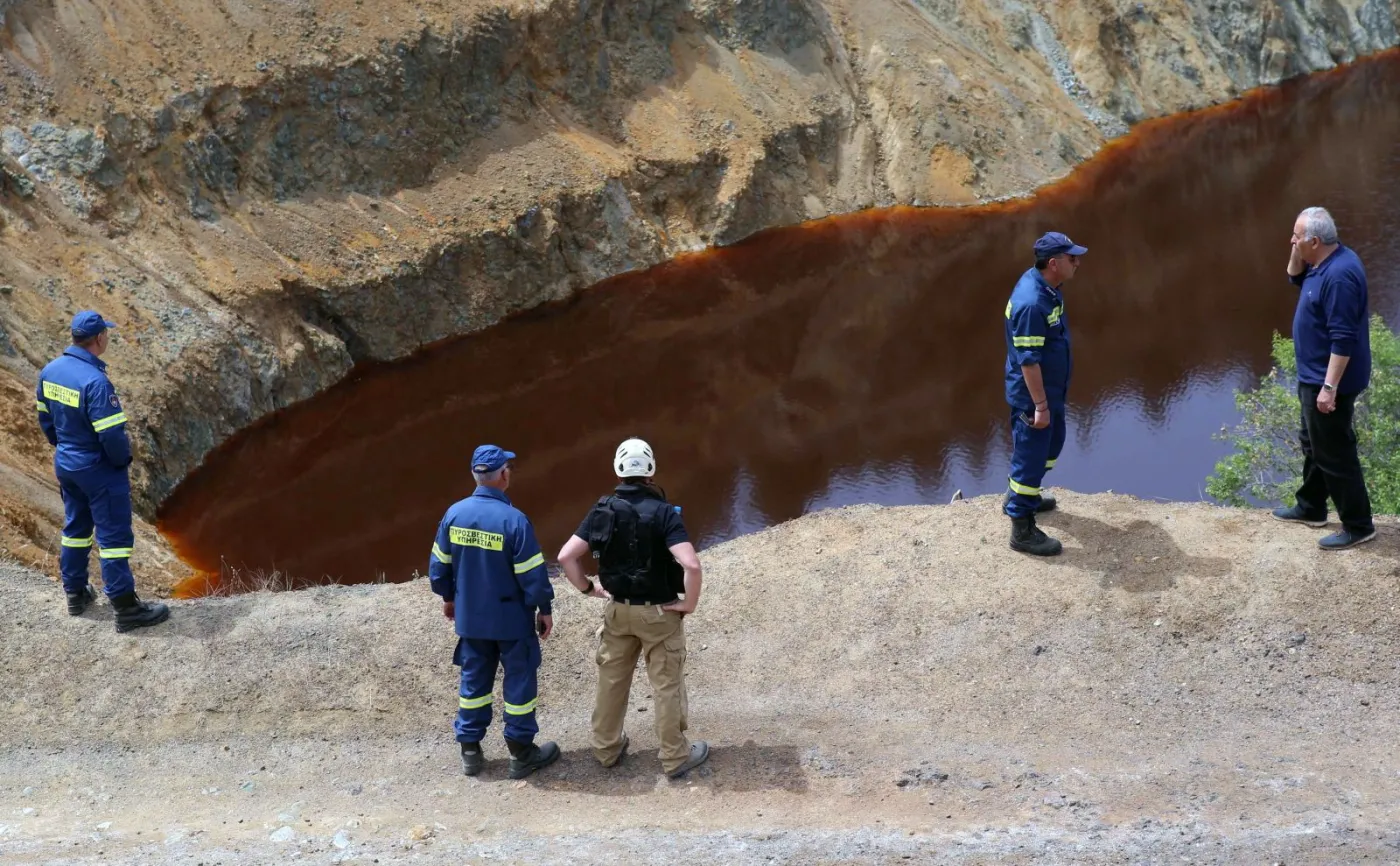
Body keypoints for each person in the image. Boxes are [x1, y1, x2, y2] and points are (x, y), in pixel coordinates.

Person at [556, 437, 710, 779]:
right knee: (666, 684)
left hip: (617, 611)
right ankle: (674, 757)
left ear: (618, 469)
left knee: (612, 680)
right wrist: (689, 604)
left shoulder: (602, 510)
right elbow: (692, 566)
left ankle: (606, 749)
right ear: (651, 470)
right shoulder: (665, 513)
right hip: (659, 613)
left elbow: (567, 557)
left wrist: (588, 589)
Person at [426, 445, 560, 779]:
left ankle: (470, 751)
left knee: (474, 683)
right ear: (503, 474)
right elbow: (533, 575)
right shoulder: (514, 521)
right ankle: (521, 753)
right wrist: (544, 608)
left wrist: (448, 598)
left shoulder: (454, 515)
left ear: (475, 475)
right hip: (512, 622)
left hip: (471, 621)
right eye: (508, 468)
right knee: (518, 685)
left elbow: (438, 568)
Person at [35, 311, 169, 631]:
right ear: (98, 339)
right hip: (97, 468)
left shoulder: (50, 371)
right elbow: (111, 434)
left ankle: (76, 594)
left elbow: (46, 419)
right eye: (106, 334)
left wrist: (64, 445)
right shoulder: (95, 382)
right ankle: (126, 608)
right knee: (114, 538)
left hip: (67, 462)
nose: (107, 337)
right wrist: (120, 462)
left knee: (76, 529)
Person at [1271, 206, 1376, 550]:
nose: (1291, 241)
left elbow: (1343, 338)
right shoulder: (1320, 262)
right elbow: (1292, 275)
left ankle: (1358, 525)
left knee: (1335, 452)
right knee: (1312, 442)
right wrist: (1297, 244)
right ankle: (1311, 506)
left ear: (1315, 241)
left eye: (1296, 236)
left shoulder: (1340, 275)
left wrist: (1329, 388)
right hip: (1312, 377)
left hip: (1330, 382)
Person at [1003, 232, 1087, 557]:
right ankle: (1021, 527)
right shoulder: (1031, 303)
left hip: (1050, 391)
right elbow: (1028, 361)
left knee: (1051, 445)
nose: (1077, 262)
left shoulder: (1047, 288)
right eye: (1072, 258)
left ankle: (1024, 494)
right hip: (1033, 396)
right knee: (1032, 453)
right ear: (1054, 263)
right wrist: (1039, 405)